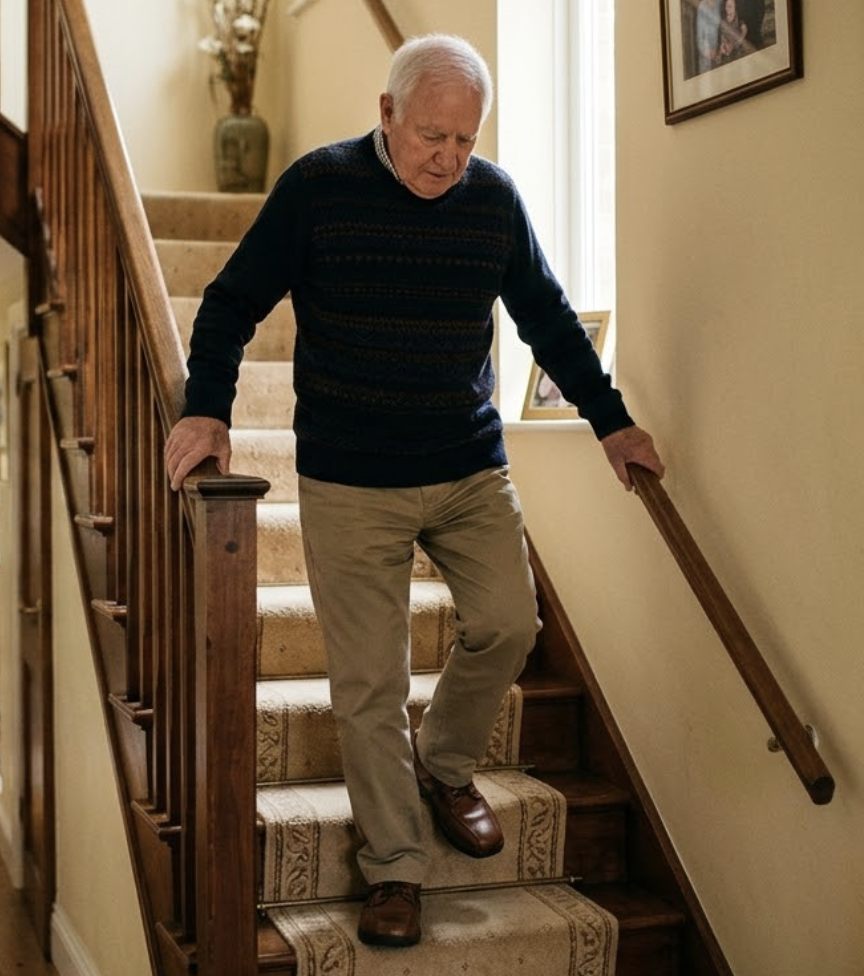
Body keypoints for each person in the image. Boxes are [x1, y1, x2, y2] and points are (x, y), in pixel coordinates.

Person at [163, 34, 664, 949]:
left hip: (467, 465)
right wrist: (207, 409)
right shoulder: (319, 188)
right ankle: (394, 867)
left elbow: (547, 317)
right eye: (433, 136)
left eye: (466, 141)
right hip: (350, 476)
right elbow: (230, 301)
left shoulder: (494, 201)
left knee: (510, 623)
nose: (449, 158)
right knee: (369, 682)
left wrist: (611, 421)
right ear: (387, 112)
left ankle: (444, 763)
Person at [715, 0, 750, 66]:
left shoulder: (740, 19)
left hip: (738, 50)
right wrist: (722, 47)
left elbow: (744, 31)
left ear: (735, 7)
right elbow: (722, 37)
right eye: (726, 6)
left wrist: (735, 44)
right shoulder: (723, 21)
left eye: (730, 7)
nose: (727, 9)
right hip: (727, 53)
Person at [695, 0, 720, 74]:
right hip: (706, 56)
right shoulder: (702, 6)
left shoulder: (719, 2)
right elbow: (699, 38)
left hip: (719, 53)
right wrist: (709, 53)